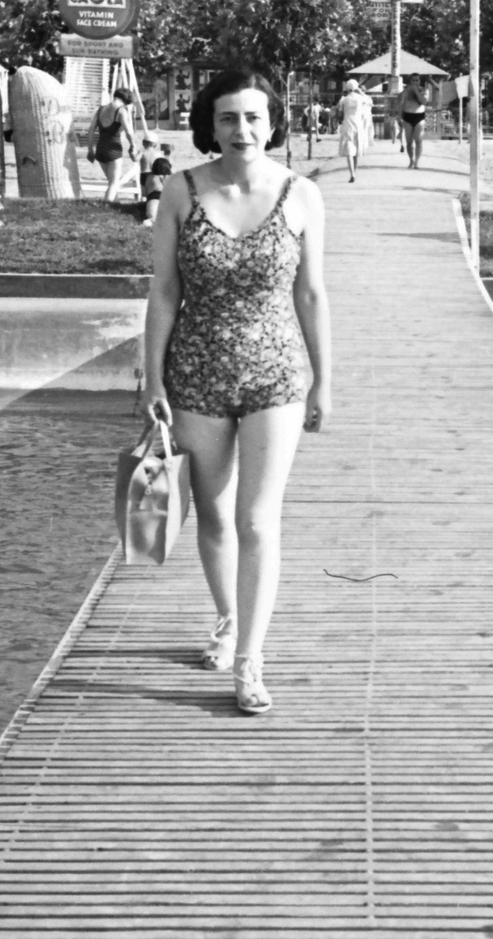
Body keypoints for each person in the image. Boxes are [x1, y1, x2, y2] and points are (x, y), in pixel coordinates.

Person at [141, 70, 332, 715]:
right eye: (228, 117)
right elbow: (164, 291)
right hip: (196, 373)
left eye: (253, 117)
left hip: (276, 374)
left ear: (273, 122)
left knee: (257, 519)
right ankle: (228, 618)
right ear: (211, 125)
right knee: (215, 514)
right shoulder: (181, 190)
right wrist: (152, 377)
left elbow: (311, 293)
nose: (242, 129)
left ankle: (250, 660)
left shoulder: (302, 195)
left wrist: (325, 380)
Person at [87, 87, 140, 203]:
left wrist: (90, 149)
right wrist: (133, 146)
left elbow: (90, 130)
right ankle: (106, 208)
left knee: (111, 182)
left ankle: (116, 204)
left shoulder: (100, 109)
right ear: (125, 100)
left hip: (100, 150)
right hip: (113, 150)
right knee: (114, 183)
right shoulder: (121, 111)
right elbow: (129, 132)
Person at [336, 79, 373, 182]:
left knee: (349, 150)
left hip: (347, 124)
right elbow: (370, 102)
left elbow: (339, 114)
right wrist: (360, 92)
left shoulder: (344, 99)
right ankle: (354, 172)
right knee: (356, 150)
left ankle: (352, 173)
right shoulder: (361, 99)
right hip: (358, 124)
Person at [399, 75, 429, 169]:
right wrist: (399, 117)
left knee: (418, 140)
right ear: (410, 81)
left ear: (420, 81)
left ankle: (417, 161)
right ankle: (411, 160)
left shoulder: (424, 90)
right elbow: (401, 104)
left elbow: (424, 102)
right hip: (408, 116)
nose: (415, 82)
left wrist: (416, 91)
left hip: (419, 116)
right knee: (409, 141)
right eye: (413, 80)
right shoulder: (405, 91)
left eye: (417, 80)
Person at [141, 142, 173, 227]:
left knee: (152, 220)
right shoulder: (169, 178)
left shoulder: (149, 178)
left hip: (153, 200)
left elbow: (144, 194)